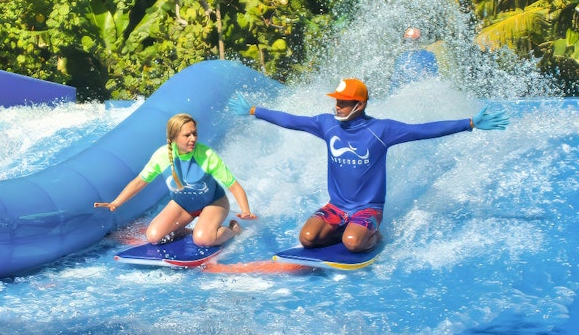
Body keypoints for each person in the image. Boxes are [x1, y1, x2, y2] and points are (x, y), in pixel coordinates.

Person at [229, 78, 507, 253]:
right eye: (337, 101)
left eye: (344, 102)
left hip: (367, 209)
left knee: (353, 244)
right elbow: (291, 120)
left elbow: (423, 129)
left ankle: (373, 235)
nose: (337, 106)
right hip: (336, 206)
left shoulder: (382, 130)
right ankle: (345, 230)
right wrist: (256, 110)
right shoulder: (327, 125)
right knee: (307, 239)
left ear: (359, 105)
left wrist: (468, 123)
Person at [94, 113, 256, 247]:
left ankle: (233, 231)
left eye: (195, 133)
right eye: (187, 135)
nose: (193, 138)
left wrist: (245, 210)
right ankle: (200, 229)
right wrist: (116, 202)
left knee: (203, 240)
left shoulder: (206, 155)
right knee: (154, 236)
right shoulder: (161, 156)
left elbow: (233, 186)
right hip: (184, 205)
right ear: (173, 137)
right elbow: (140, 181)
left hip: (214, 203)